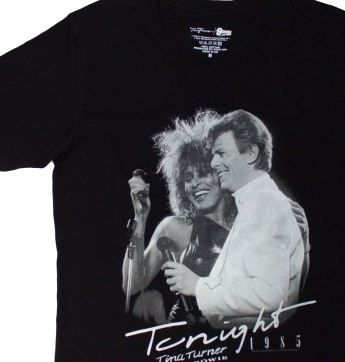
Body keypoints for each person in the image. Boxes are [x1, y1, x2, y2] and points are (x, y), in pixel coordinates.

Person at [123, 109, 309, 326]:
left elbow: (287, 298)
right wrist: (140, 218)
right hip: (188, 339)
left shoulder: (253, 216)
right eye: (188, 178)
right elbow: (131, 285)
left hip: (240, 339)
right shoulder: (175, 228)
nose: (195, 183)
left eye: (204, 173)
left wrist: (301, 242)